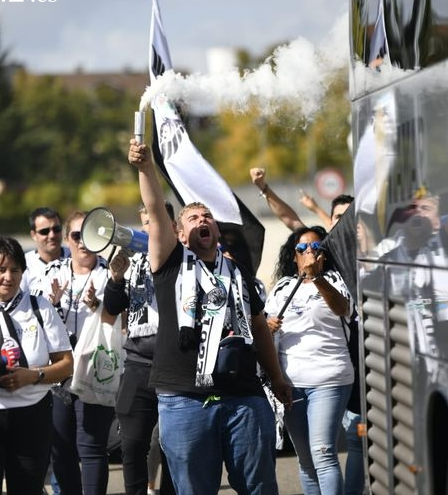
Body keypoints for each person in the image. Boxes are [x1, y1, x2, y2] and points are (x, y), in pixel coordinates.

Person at [128, 138, 291, 494]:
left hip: (244, 396)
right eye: (192, 218)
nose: (202, 220)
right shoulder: (168, 264)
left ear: (216, 230)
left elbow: (260, 326)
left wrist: (277, 378)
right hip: (185, 400)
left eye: (207, 217)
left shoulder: (239, 272)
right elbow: (155, 209)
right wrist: (145, 168)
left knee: (259, 487)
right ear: (179, 234)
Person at [0, 236, 73, 495]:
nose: (8, 277)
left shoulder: (40, 307)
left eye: (15, 270)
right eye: (1, 269)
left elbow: (66, 364)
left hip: (32, 416)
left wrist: (34, 375)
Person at [265, 225, 353, 495]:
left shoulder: (336, 280)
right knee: (305, 461)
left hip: (329, 378)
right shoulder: (282, 287)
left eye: (316, 247)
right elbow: (262, 329)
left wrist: (317, 279)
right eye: (302, 248)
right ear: (294, 256)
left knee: (323, 454)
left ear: (324, 255)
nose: (309, 252)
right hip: (291, 384)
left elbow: (343, 309)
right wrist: (266, 326)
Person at [37, 211, 113, 495]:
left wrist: (98, 306)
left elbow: (122, 321)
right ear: (67, 240)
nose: (83, 242)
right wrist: (52, 304)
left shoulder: (110, 273)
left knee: (92, 446)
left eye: (90, 235)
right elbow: (38, 324)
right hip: (60, 372)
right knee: (61, 447)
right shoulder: (51, 273)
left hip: (95, 368)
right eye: (76, 236)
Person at [102, 204, 175, 495]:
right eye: (145, 223)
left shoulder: (180, 257)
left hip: (172, 364)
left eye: (154, 221)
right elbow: (112, 307)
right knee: (132, 444)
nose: (148, 228)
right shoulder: (134, 263)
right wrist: (116, 279)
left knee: (173, 444)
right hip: (137, 363)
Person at [249, 167, 353, 230]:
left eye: (348, 217)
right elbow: (291, 220)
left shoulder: (365, 247)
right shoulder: (325, 246)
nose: (342, 221)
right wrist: (263, 187)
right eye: (338, 217)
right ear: (332, 221)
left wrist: (316, 209)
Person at [23, 207, 70, 296]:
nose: (52, 235)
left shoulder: (75, 258)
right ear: (33, 235)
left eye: (56, 229)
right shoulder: (24, 265)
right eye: (44, 231)